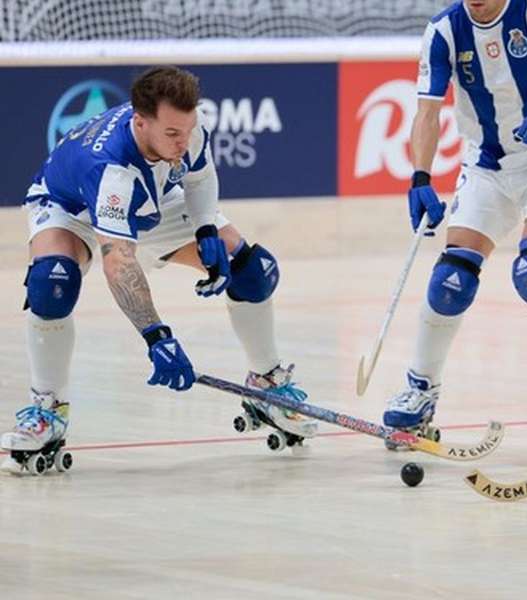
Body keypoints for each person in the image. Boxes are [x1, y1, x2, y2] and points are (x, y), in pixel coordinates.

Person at [2, 66, 315, 473]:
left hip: (151, 202)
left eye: (187, 130)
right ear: (140, 122)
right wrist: (157, 336)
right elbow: (119, 262)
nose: (182, 141)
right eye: (171, 134)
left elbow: (201, 176)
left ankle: (266, 382)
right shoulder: (110, 168)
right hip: (71, 208)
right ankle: (47, 408)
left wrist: (205, 228)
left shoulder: (182, 128)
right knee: (52, 285)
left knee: (253, 270)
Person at [382, 0, 527, 454]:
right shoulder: (444, 31)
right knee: (449, 281)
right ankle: (421, 390)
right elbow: (427, 112)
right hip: (486, 166)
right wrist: (420, 177)